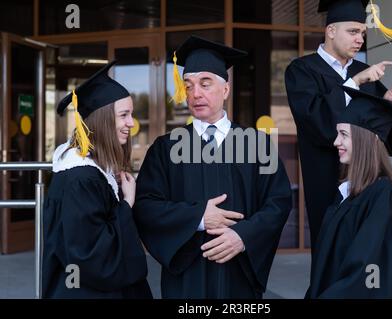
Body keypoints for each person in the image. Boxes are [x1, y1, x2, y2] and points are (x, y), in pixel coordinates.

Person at [134, 35, 292, 298]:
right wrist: (197, 218)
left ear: (226, 90)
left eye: (205, 84)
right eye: (189, 85)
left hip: (238, 275)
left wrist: (244, 237)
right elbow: (146, 205)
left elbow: (278, 202)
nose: (195, 93)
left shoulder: (256, 144)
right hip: (187, 278)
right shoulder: (165, 148)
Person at [285, 0, 392, 251]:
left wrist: (388, 106)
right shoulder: (302, 70)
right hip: (323, 178)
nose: (360, 39)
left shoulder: (366, 71)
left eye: (362, 33)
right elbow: (317, 123)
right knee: (330, 251)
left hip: (364, 181)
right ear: (331, 31)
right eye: (353, 32)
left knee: (364, 250)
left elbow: (386, 140)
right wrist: (355, 83)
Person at [42, 61, 152, 299]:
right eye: (123, 115)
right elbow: (91, 256)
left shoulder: (98, 171)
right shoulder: (81, 179)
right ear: (101, 121)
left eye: (131, 114)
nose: (131, 123)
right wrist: (127, 204)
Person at [308, 86, 392, 298]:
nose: (336, 141)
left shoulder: (383, 196)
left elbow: (368, 273)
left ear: (367, 138)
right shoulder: (347, 193)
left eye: (343, 134)